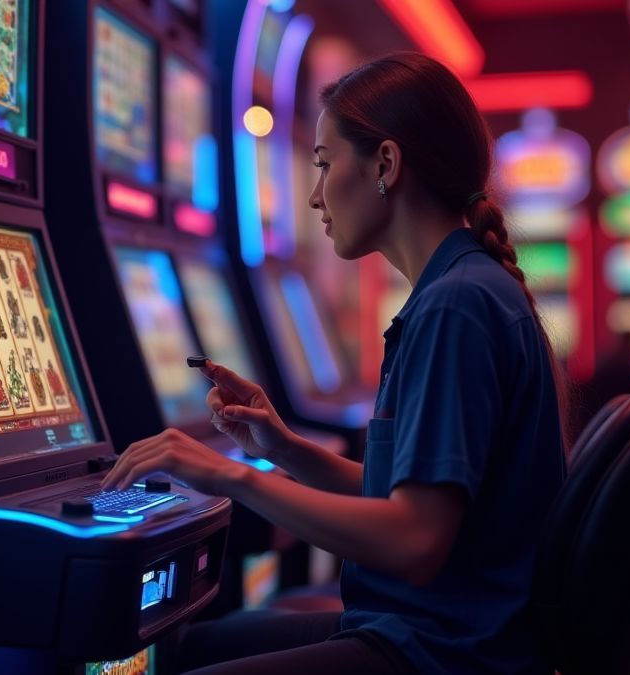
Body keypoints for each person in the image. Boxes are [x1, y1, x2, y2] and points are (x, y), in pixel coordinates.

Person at [103, 52, 568, 675]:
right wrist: (284, 448)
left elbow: (414, 541)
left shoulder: (455, 308)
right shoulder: (460, 289)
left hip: (444, 653)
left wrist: (230, 476)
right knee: (190, 648)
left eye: (323, 164)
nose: (315, 195)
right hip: (438, 629)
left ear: (385, 165)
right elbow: (405, 497)